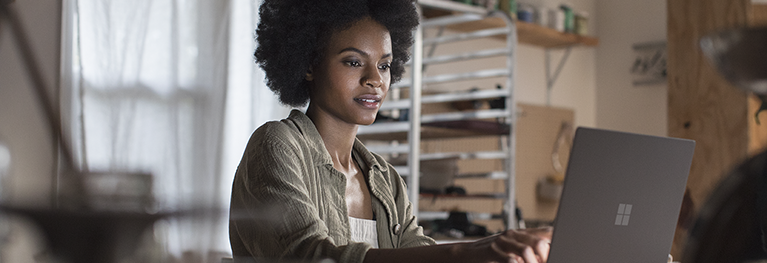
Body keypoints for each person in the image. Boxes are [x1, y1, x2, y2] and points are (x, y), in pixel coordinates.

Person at [228, 0, 552, 262]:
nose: (375, 79)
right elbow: (311, 256)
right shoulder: (277, 147)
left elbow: (419, 254)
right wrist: (466, 251)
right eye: (353, 62)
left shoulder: (384, 178)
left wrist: (498, 248)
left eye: (384, 65)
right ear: (309, 65)